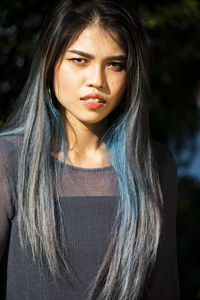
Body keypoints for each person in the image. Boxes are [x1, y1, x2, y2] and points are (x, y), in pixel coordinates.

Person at [0, 0, 179, 299]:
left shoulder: (156, 166)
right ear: (49, 64)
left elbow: (164, 289)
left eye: (114, 65)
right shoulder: (9, 161)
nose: (97, 81)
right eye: (80, 60)